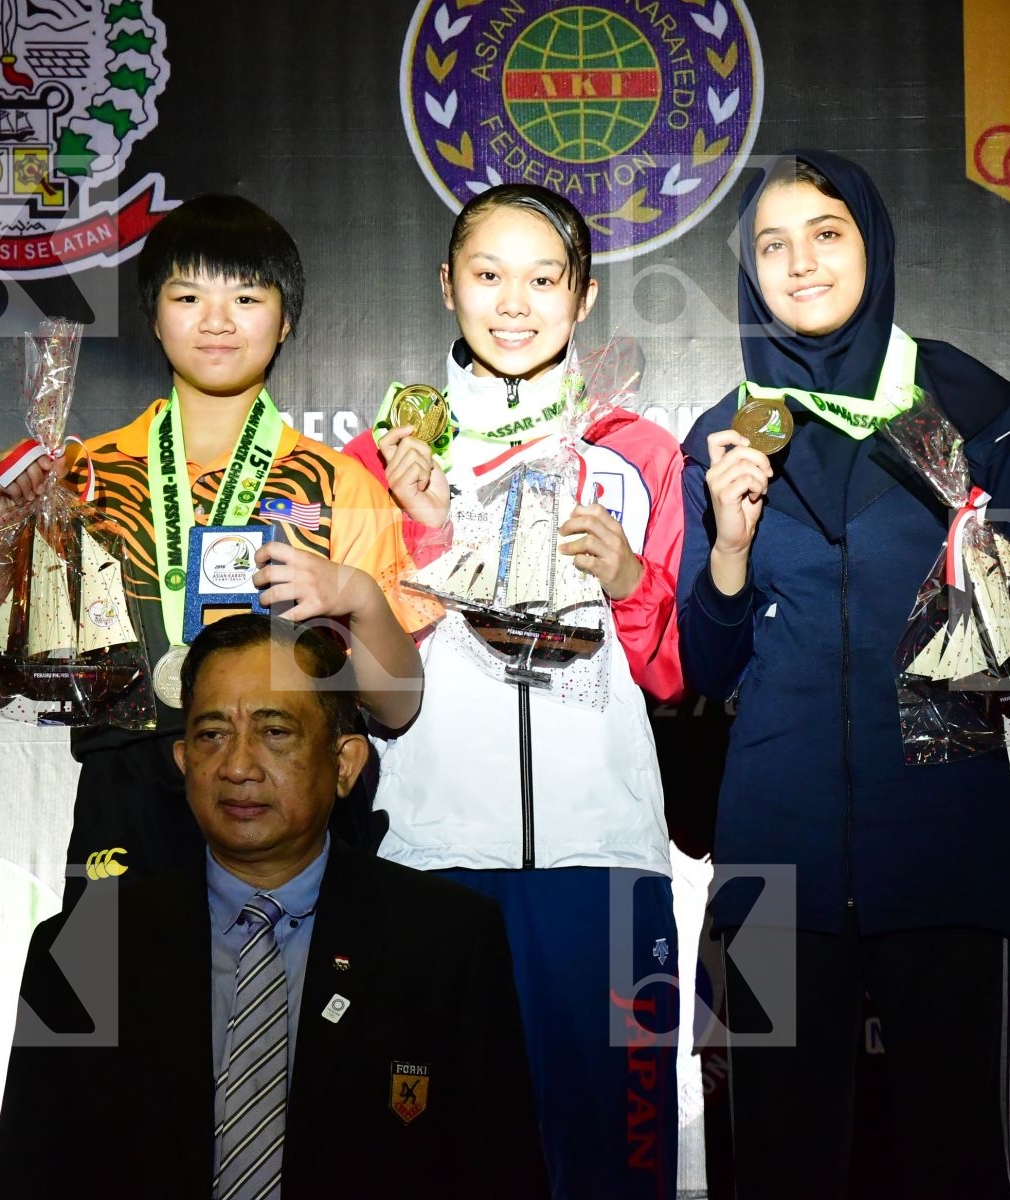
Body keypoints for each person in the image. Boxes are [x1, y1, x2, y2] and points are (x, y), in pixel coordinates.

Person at [676, 151, 1010, 1198]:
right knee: (777, 1163)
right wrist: (731, 550)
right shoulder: (724, 430)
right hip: (770, 860)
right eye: (772, 245)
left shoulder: (977, 407)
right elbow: (703, 664)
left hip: (944, 838)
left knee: (958, 1158)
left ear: (872, 244)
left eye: (825, 233)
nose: (799, 264)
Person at [345, 184, 685, 1200]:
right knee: (436, 1166)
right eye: (488, 276)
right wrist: (422, 532)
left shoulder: (638, 453)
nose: (514, 303)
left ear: (583, 300)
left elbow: (673, 670)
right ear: (447, 287)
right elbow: (369, 679)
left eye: (544, 279)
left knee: (616, 1169)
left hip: (605, 868)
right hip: (430, 860)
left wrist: (629, 579)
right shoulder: (383, 456)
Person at [0, 614, 546, 1198]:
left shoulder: (445, 942)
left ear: (345, 762)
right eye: (212, 734)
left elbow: (499, 1172)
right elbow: (29, 1173)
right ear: (183, 761)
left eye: (274, 732)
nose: (238, 766)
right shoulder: (84, 952)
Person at [0, 195, 436, 897]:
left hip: (296, 812)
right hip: (123, 819)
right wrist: (0, 540)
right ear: (154, 316)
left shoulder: (339, 483)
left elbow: (398, 707)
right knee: (107, 1003)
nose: (216, 320)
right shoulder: (78, 478)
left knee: (295, 1006)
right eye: (188, 295)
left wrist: (357, 597)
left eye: (245, 296)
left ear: (285, 320)